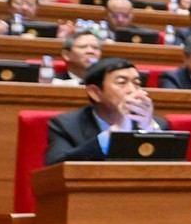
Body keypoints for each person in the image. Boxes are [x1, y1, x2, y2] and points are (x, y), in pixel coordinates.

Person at [42, 58, 172, 163]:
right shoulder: (65, 125)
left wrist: (149, 132)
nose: (132, 90)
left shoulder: (156, 125)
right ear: (95, 93)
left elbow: (173, 173)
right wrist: (116, 132)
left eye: (137, 83)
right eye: (122, 82)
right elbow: (56, 167)